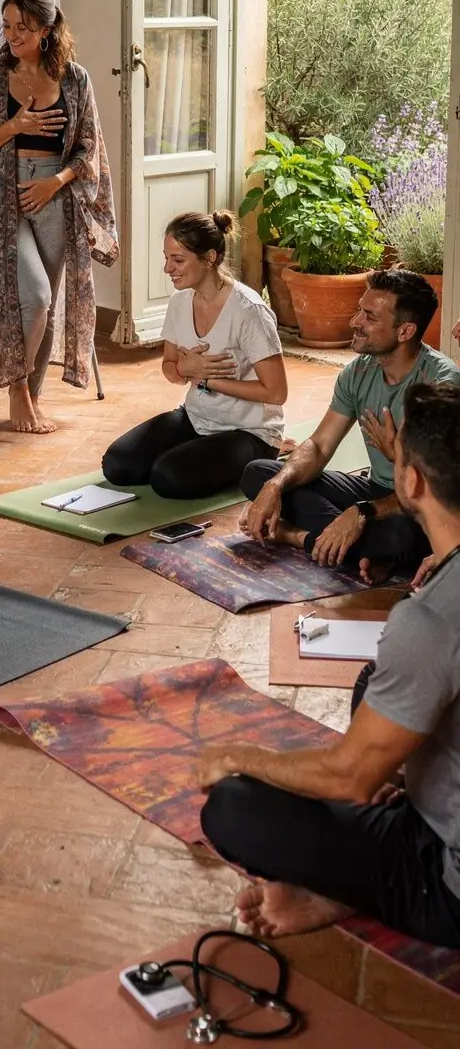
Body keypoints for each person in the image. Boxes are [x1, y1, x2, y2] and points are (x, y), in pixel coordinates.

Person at [198, 381, 460, 949]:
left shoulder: (433, 617)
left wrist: (237, 755)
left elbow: (349, 778)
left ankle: (354, 888)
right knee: (376, 678)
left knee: (234, 806)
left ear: (411, 481)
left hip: (449, 887)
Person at [0, 0, 117, 435]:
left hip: (53, 196)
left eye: (22, 26)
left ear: (45, 30)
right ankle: (17, 389)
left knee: (47, 301)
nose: (12, 34)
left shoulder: (76, 79)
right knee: (34, 296)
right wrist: (14, 126)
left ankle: (34, 396)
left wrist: (55, 182)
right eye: (6, 25)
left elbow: (89, 148)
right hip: (1, 199)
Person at [240, 269, 460, 579]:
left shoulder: (438, 385)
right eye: (360, 309)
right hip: (375, 489)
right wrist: (275, 486)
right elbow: (318, 446)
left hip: (420, 504)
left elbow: (434, 489)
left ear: (405, 331)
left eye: (370, 316)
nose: (355, 321)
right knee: (259, 474)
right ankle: (364, 549)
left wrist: (365, 506)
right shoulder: (358, 372)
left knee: (404, 536)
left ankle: (297, 536)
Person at [102, 212, 287, 499]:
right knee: (118, 465)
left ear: (210, 257)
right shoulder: (180, 302)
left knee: (167, 478)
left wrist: (205, 379)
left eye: (178, 260)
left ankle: (262, 464)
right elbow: (169, 368)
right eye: (166, 258)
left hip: (249, 432)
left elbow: (276, 393)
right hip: (196, 418)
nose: (167, 269)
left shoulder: (249, 311)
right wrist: (184, 369)